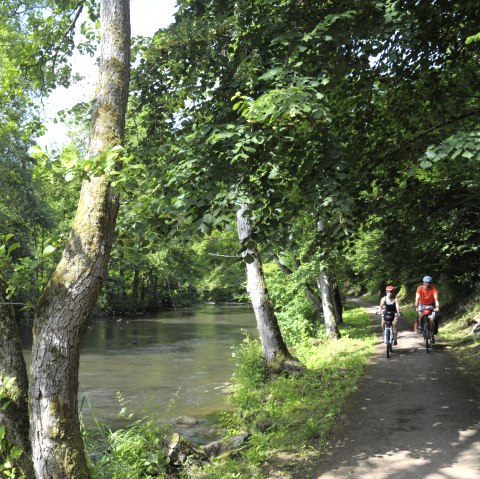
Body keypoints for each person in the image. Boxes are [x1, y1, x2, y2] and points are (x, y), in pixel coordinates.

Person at [415, 275, 440, 343]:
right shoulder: (419, 288)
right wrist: (416, 307)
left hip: (431, 304)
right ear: (423, 282)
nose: (427, 284)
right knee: (421, 316)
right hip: (421, 304)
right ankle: (420, 327)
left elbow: (436, 299)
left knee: (431, 320)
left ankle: (432, 336)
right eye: (426, 282)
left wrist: (437, 307)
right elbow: (417, 298)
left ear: (430, 283)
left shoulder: (433, 288)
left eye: (429, 282)